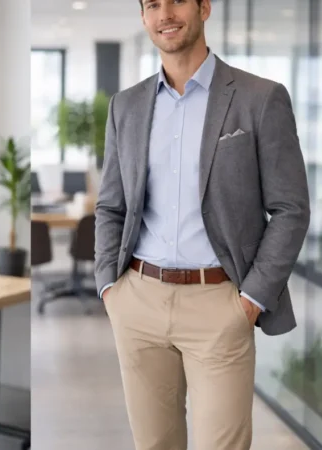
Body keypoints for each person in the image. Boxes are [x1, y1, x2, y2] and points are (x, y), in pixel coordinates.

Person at [95, 0, 311, 449]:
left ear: (204, 8)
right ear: (143, 17)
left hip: (220, 305)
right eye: (152, 4)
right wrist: (110, 290)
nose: (165, 13)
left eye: (176, 0)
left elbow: (291, 209)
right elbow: (111, 206)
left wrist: (250, 301)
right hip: (139, 300)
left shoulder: (260, 98)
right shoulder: (127, 106)